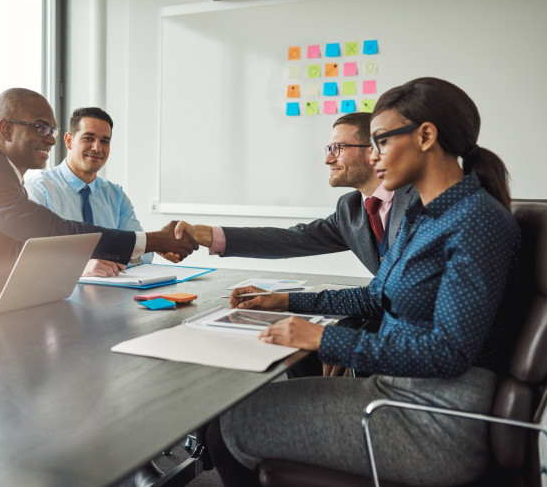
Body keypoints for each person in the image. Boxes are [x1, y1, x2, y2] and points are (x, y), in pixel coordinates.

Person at [204, 77, 521, 486]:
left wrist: (323, 340)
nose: (373, 157)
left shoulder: (475, 220)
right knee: (231, 415)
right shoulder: (423, 215)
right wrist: (286, 303)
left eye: (382, 142)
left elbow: (449, 353)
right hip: (394, 392)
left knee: (229, 428)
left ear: (426, 136)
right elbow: (376, 299)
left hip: (433, 420)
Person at [0, 88, 197, 310]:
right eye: (41, 127)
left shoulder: (6, 175)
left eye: (53, 129)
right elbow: (51, 232)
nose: (52, 139)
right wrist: (156, 240)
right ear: (5, 128)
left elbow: (23, 251)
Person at [172, 112, 418, 276]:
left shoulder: (420, 199)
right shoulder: (350, 208)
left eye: (337, 148)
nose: (327, 159)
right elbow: (293, 240)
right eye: (328, 148)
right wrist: (206, 234)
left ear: (373, 150)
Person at [25, 107, 153, 277]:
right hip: (59, 294)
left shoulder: (116, 195)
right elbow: (31, 256)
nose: (97, 148)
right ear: (69, 140)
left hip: (113, 293)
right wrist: (79, 266)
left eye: (105, 141)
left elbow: (144, 253)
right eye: (88, 138)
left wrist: (111, 259)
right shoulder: (39, 189)